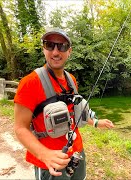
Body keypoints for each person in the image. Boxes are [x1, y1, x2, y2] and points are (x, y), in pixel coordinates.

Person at [13, 27, 115, 180]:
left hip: (76, 154)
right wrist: (44, 154)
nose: (55, 52)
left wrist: (95, 122)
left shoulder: (71, 80)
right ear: (43, 49)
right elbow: (20, 128)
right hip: (51, 163)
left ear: (69, 51)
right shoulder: (30, 83)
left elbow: (76, 112)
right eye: (50, 45)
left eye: (62, 46)